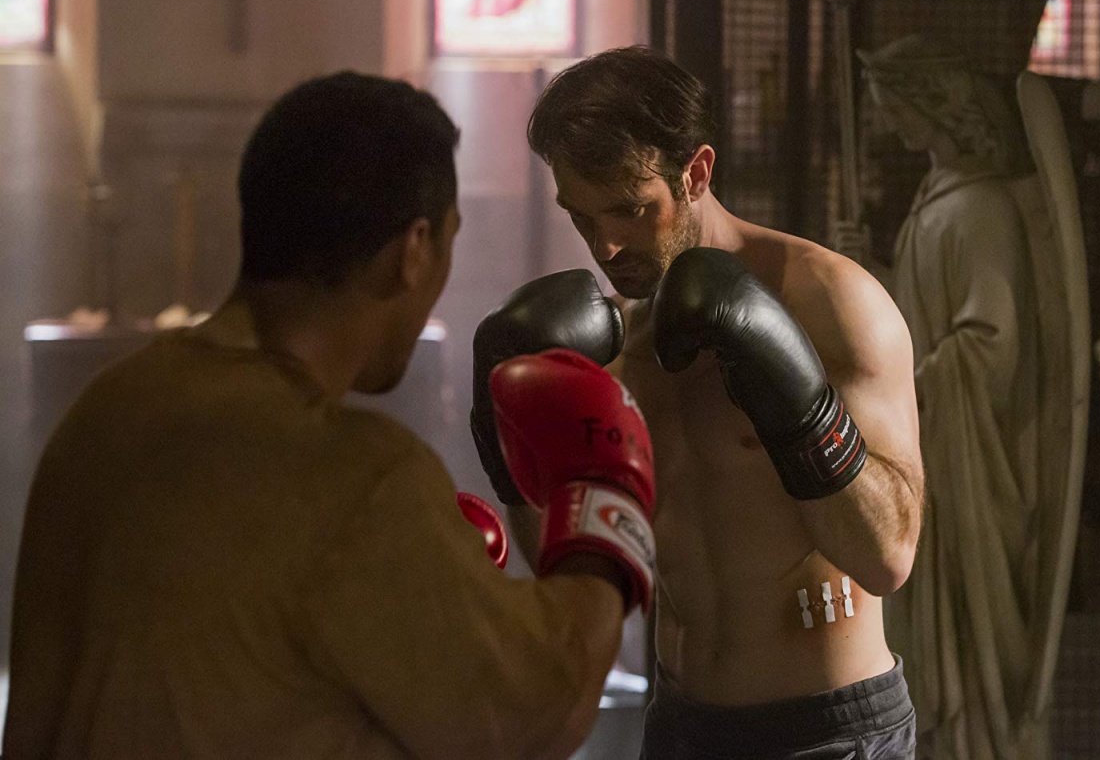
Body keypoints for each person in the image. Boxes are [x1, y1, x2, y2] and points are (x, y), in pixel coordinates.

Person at [3, 71, 658, 759]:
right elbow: (534, 713)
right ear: (413, 251)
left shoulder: (106, 412)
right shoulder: (361, 478)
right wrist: (604, 515)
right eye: (448, 239)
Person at [470, 45, 925, 759]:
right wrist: (505, 449)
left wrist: (801, 407)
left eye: (630, 208)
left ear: (697, 172)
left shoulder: (831, 302)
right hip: (681, 725)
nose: (607, 244)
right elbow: (564, 571)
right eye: (582, 217)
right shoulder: (610, 342)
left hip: (830, 731)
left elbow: (889, 557)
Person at [860, 35, 1078, 759]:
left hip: (974, 467)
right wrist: (876, 272)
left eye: (897, 108)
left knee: (976, 653)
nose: (890, 125)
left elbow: (990, 342)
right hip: (936, 457)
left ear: (935, 106)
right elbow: (926, 318)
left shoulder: (982, 208)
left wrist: (904, 389)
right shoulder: (940, 198)